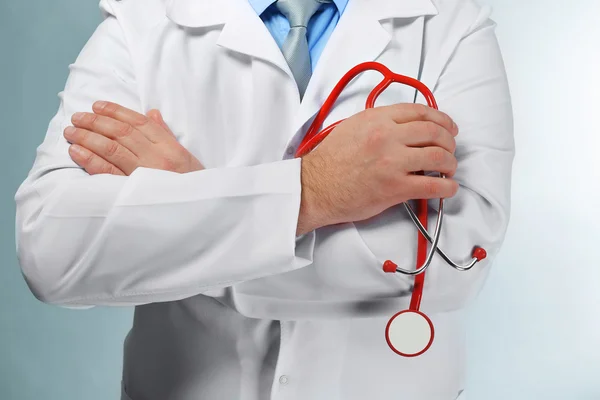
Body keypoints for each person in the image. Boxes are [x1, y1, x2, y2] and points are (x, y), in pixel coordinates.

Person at [14, 0, 515, 398]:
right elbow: (53, 251)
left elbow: (454, 267)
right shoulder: (141, 18)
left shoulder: (451, 23)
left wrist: (190, 193)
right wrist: (314, 190)